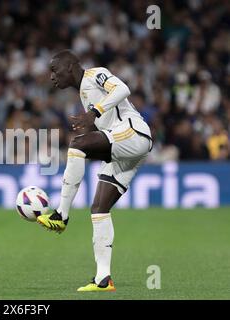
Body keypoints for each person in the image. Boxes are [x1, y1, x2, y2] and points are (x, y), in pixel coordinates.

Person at [37, 50, 152, 292]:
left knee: (77, 145)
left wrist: (93, 113)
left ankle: (61, 215)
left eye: (54, 71)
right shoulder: (82, 92)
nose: (51, 77)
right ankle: (103, 280)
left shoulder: (95, 74)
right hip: (123, 148)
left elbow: (123, 89)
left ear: (70, 67)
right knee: (99, 209)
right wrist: (93, 115)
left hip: (134, 133)